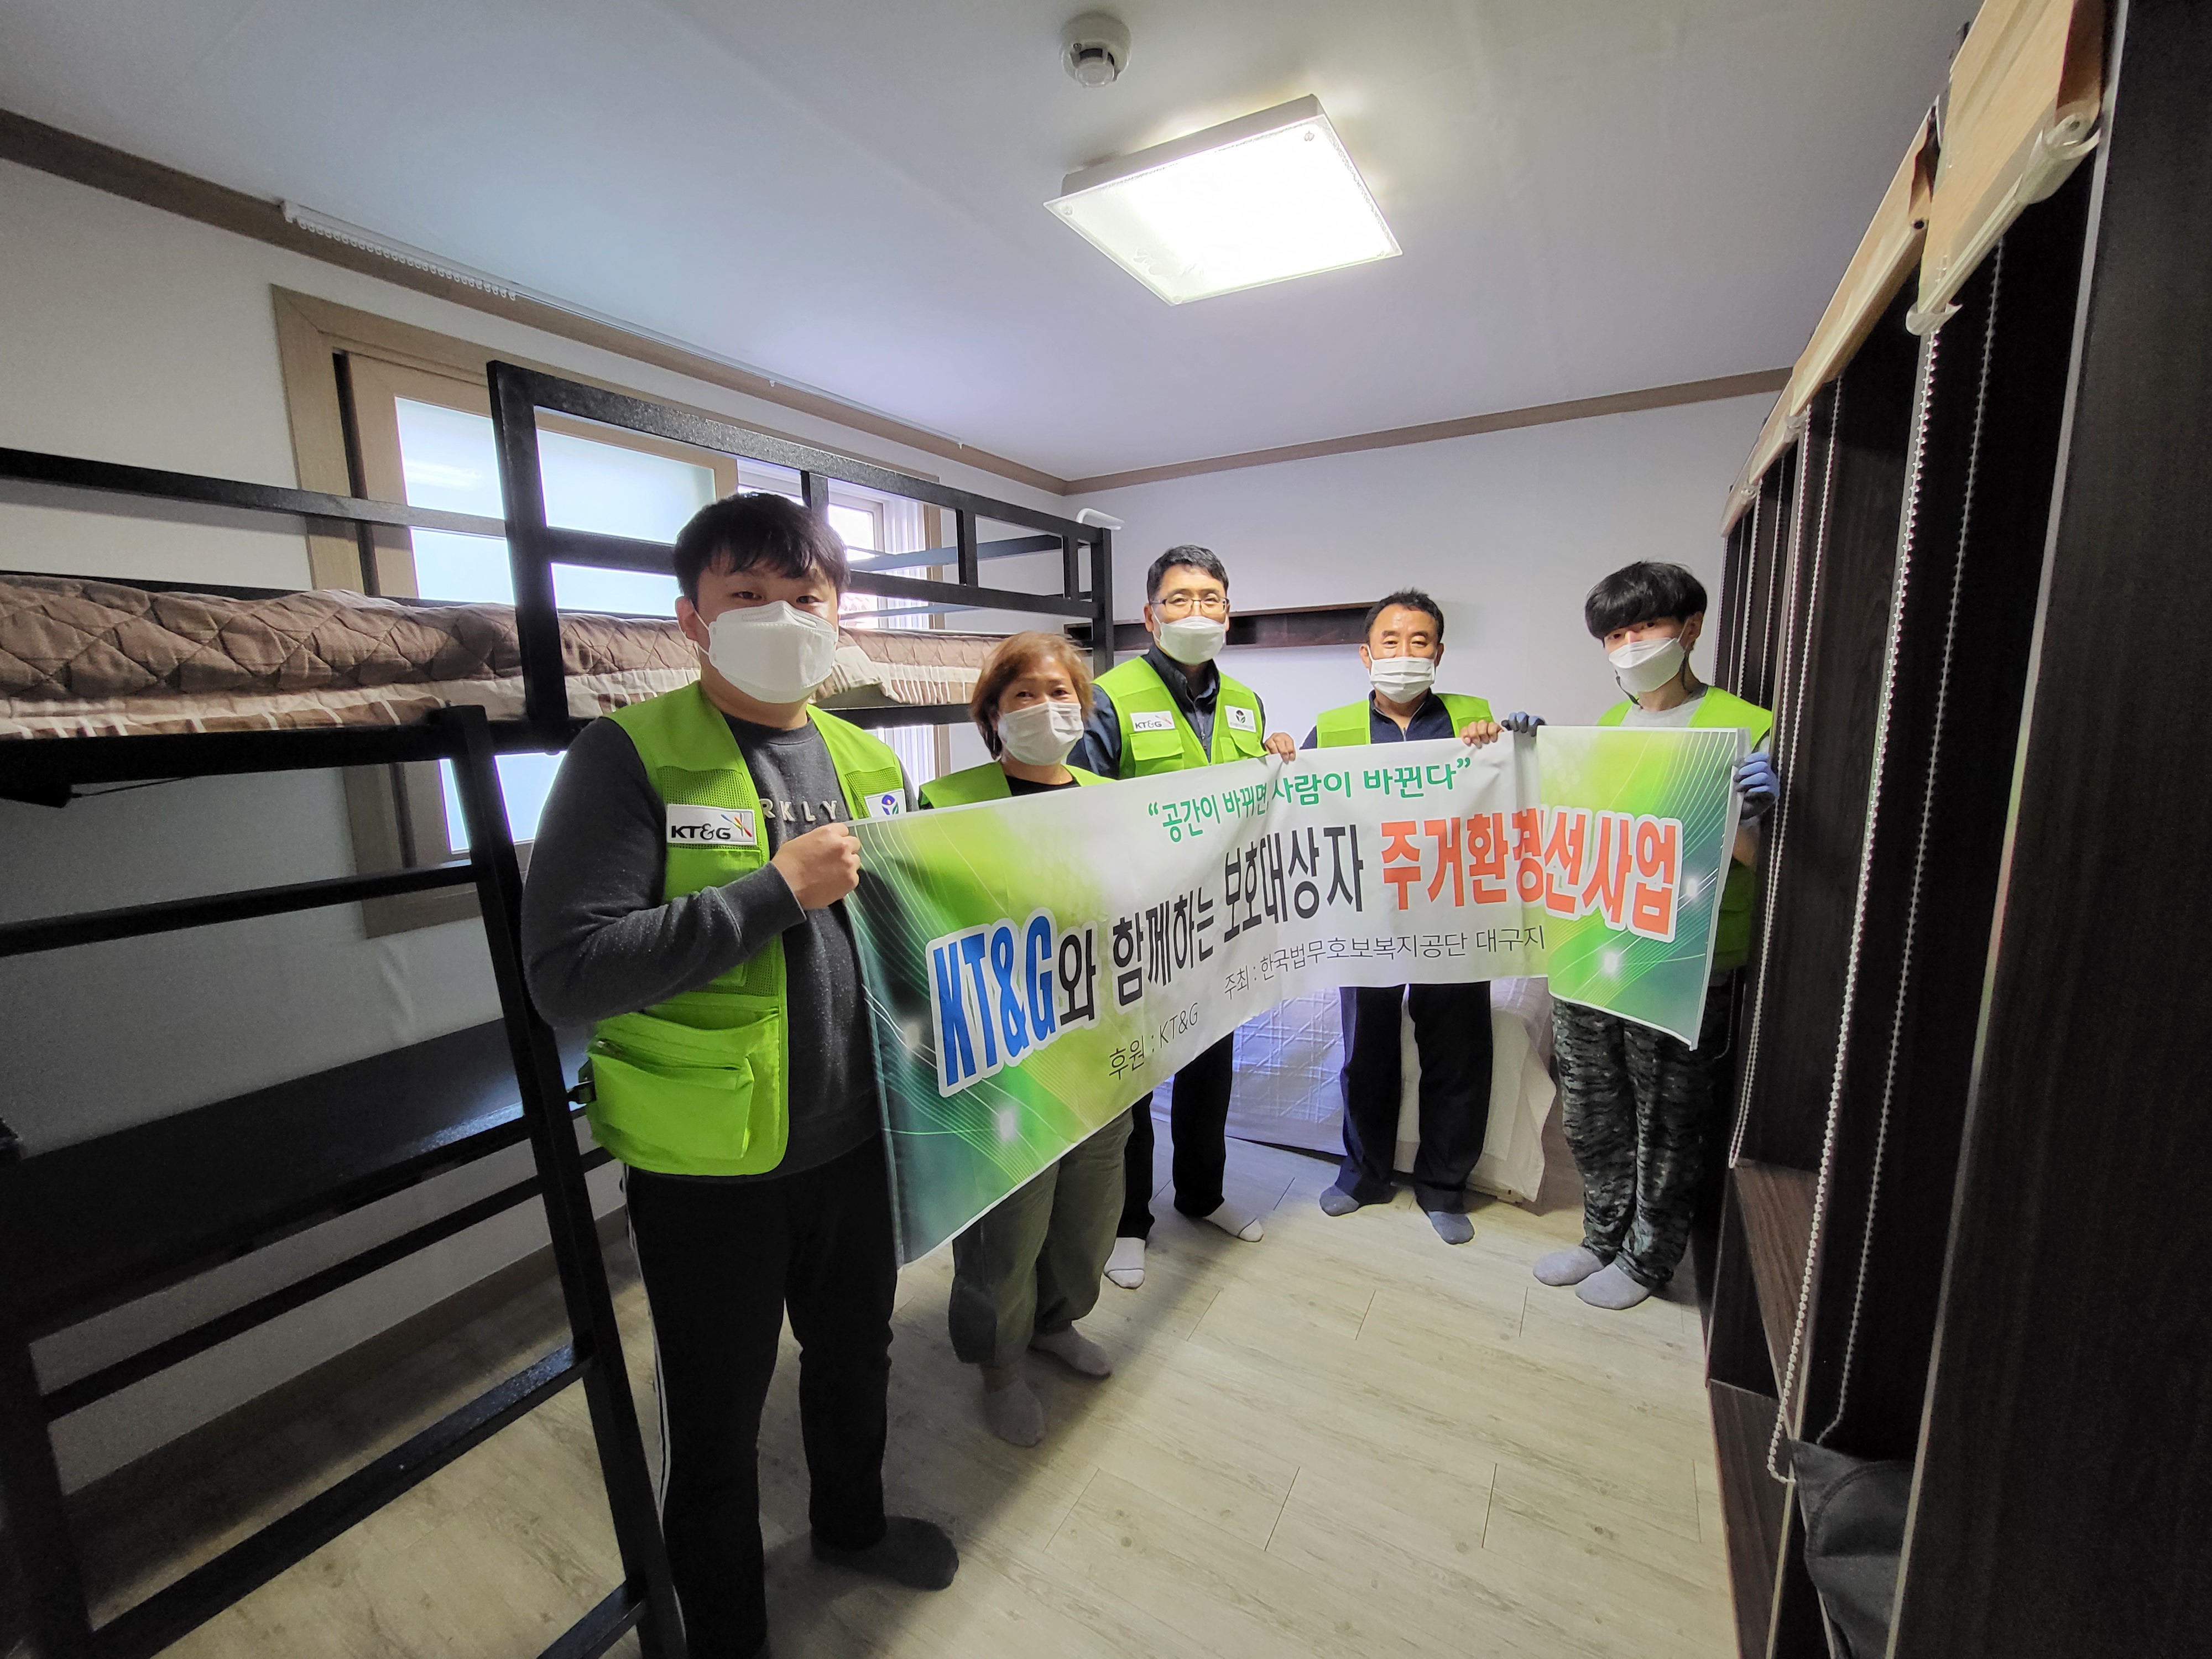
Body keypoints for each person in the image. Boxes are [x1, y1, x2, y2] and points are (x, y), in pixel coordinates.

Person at [520, 493, 957, 1659]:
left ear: (838, 613)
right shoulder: (628, 757)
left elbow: (907, 925)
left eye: (803, 596)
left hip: (858, 1137)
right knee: (715, 1413)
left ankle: (852, 1528)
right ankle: (724, 1634)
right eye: (747, 595)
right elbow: (567, 971)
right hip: (708, 1159)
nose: (781, 617)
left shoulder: (867, 756)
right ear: (691, 619)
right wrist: (772, 890)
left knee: (854, 1357)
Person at [1533, 561, 1778, 1311]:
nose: (1630, 645)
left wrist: (1757, 811)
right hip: (1598, 946)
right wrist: (1529, 753)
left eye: (1646, 627)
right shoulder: (1609, 728)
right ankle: (1601, 1235)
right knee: (1592, 1106)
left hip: (1685, 958)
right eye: (1615, 634)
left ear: (1690, 628)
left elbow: (1762, 861)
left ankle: (1648, 1261)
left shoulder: (1746, 725)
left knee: (1667, 1118)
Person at [919, 632, 1128, 1446]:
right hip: (999, 1051)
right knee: (1005, 1227)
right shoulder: (947, 802)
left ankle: (1055, 1322)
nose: (1046, 707)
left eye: (1060, 691)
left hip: (1096, 1041)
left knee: (1089, 1209)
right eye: (1024, 695)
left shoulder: (1111, 801)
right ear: (992, 714)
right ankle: (999, 1364)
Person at [1070, 545, 1298, 1289]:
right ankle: (1127, 1220)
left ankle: (1202, 1194)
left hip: (1218, 922)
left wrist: (1275, 757)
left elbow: (1252, 800)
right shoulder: (1109, 697)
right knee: (1135, 1079)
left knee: (1209, 1063)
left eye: (1209, 599)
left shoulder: (1247, 703)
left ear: (1228, 613)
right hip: (1140, 925)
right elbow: (1083, 806)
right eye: (1179, 599)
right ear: (1150, 615)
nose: (1195, 612)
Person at [1303, 588, 1541, 1246]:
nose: (1404, 653)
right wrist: (1280, 757)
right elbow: (1298, 809)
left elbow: (1511, 789)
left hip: (1453, 911)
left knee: (1458, 1050)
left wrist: (1517, 743)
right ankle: (1364, 1174)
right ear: (1366, 654)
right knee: (1366, 1050)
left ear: (1438, 653)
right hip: (1366, 915)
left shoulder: (1474, 718)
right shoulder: (1332, 727)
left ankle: (1443, 1186)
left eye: (1419, 642)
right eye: (1391, 641)